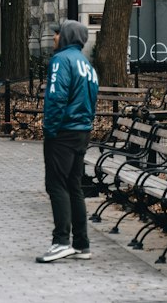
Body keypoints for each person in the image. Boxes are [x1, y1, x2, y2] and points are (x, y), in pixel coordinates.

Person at [36, 20, 99, 264]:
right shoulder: (86, 65)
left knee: (56, 185)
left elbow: (56, 97)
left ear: (66, 36)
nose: (53, 38)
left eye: (57, 34)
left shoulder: (61, 61)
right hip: (81, 131)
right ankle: (81, 243)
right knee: (74, 186)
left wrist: (49, 129)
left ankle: (61, 241)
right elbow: (92, 99)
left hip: (62, 131)